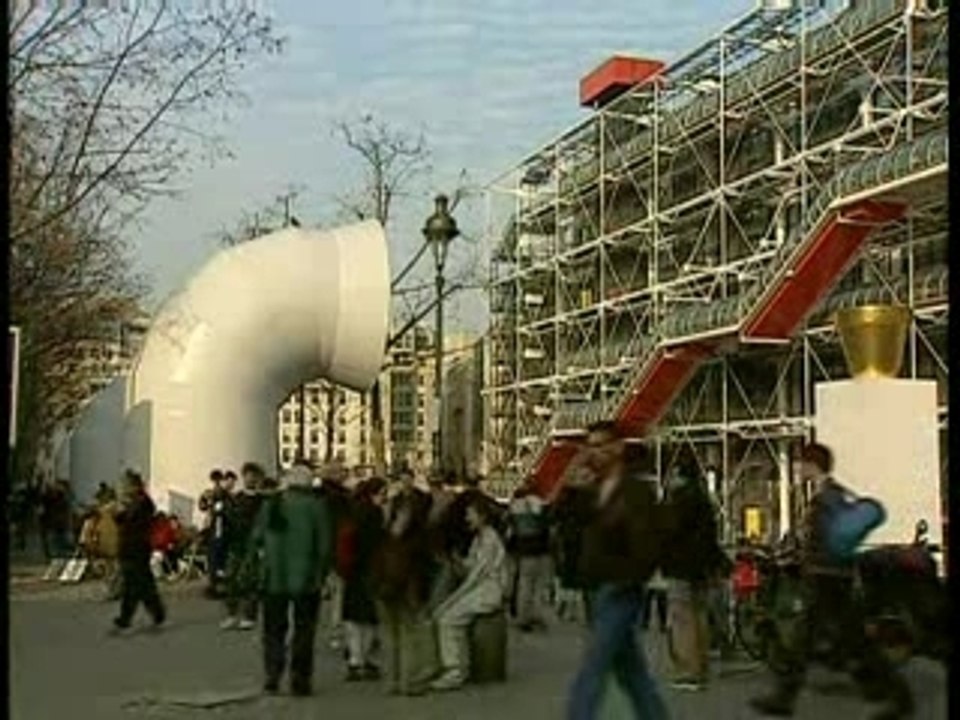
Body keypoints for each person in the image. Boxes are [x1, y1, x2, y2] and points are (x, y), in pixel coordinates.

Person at [750, 442, 914, 720]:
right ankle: (886, 691)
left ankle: (896, 696)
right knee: (846, 641)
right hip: (830, 577)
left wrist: (801, 557)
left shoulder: (826, 497)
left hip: (827, 578)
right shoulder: (832, 494)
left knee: (820, 640)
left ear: (813, 465)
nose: (798, 469)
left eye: (801, 463)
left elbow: (825, 542)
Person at [564, 421, 668, 720]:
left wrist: (634, 576)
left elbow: (648, 540)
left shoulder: (636, 491)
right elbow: (569, 528)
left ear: (617, 447)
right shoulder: (592, 490)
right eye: (590, 447)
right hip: (595, 587)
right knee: (631, 674)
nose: (594, 453)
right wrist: (572, 492)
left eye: (600, 446)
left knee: (593, 666)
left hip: (621, 588)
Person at [247, 463, 333, 696]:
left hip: (274, 576)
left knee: (273, 630)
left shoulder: (271, 504)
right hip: (307, 578)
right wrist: (323, 574)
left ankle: (272, 675)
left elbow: (256, 538)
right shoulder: (316, 507)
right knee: (304, 630)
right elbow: (324, 546)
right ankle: (299, 679)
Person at [660, 458, 729, 691]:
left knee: (682, 618)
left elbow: (670, 532)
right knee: (699, 616)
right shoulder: (703, 499)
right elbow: (710, 537)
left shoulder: (679, 500)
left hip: (681, 565)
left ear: (678, 476)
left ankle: (689, 671)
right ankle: (701, 665)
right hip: (701, 567)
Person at [430, 494, 509, 691]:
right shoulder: (480, 538)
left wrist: (450, 601)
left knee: (447, 619)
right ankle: (456, 666)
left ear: (482, 517)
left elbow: (475, 577)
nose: (467, 519)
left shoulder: (489, 539)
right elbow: (472, 568)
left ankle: (454, 670)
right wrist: (457, 560)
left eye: (470, 515)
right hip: (482, 588)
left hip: (487, 591)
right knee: (447, 616)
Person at [372, 466, 436, 695]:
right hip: (406, 580)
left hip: (385, 582)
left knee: (391, 633)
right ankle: (410, 680)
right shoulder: (417, 511)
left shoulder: (382, 525)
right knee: (409, 630)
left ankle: (393, 681)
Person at [341, 476, 387, 682]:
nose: (384, 498)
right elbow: (376, 543)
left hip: (351, 570)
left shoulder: (352, 510)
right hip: (368, 570)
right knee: (369, 618)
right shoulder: (374, 514)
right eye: (382, 494)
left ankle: (354, 660)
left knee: (352, 618)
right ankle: (364, 660)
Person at [112, 470, 166, 632]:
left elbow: (138, 523)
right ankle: (156, 613)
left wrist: (126, 510)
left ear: (135, 486)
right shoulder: (131, 502)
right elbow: (121, 520)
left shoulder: (144, 503)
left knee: (137, 585)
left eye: (127, 485)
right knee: (140, 584)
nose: (125, 489)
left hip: (138, 548)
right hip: (127, 548)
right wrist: (119, 510)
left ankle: (127, 618)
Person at [221, 462, 267, 630]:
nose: (250, 478)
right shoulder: (236, 499)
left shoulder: (264, 500)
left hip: (253, 545)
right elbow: (229, 519)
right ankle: (232, 614)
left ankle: (249, 615)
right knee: (231, 579)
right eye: (247, 475)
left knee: (250, 580)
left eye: (254, 475)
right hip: (236, 543)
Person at [508, 478, 552, 632]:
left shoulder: (515, 505)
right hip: (539, 548)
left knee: (524, 584)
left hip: (522, 548)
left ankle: (522, 616)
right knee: (537, 585)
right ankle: (534, 615)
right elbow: (545, 525)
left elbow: (512, 528)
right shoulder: (538, 503)